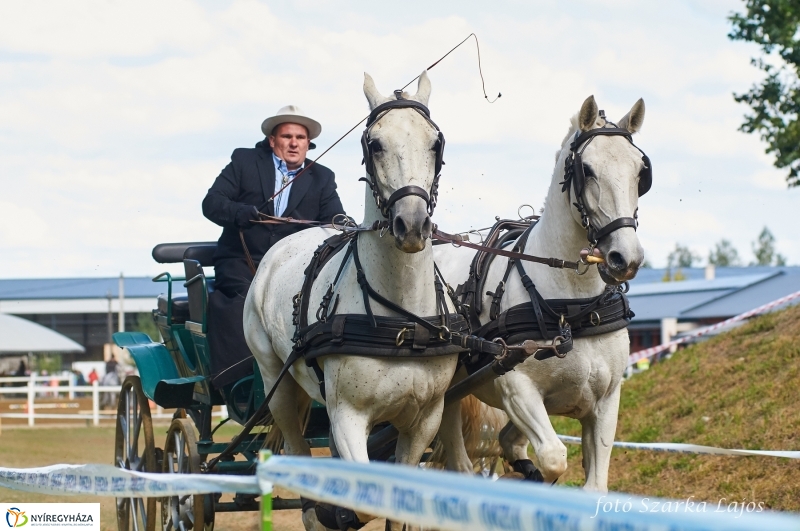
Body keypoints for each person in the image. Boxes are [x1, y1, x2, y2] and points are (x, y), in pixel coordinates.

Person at [202, 105, 347, 387]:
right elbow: (211, 203)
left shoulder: (322, 177)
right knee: (243, 303)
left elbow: (335, 220)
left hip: (296, 269)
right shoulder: (244, 162)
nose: (294, 143)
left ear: (308, 144)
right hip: (242, 262)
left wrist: (350, 225)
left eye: (300, 138)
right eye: (287, 136)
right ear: (272, 140)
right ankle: (239, 383)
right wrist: (238, 212)